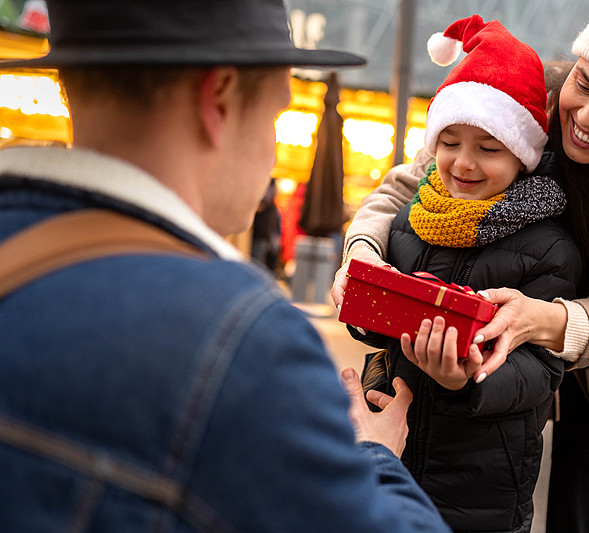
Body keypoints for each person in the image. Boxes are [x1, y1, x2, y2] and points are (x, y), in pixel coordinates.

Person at [0, 1, 452, 532]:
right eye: (276, 115)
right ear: (219, 98)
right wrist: (374, 458)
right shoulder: (239, 338)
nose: (270, 150)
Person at [332, 1, 589, 532]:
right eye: (585, 82)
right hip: (497, 328)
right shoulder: (525, 91)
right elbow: (405, 189)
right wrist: (362, 254)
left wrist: (540, 320)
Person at [345, 16, 580, 533]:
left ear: (521, 154)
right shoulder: (412, 217)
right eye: (449, 142)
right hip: (395, 440)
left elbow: (542, 372)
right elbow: (382, 325)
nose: (463, 163)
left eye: (488, 148)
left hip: (482, 480)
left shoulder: (551, 246)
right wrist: (361, 300)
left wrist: (464, 379)